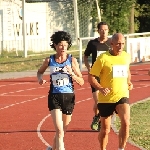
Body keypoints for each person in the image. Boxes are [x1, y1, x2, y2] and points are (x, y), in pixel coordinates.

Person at [37, 31, 84, 150]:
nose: (63, 47)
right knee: (59, 130)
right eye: (60, 45)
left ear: (68, 45)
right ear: (55, 45)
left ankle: (52, 148)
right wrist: (40, 79)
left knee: (62, 131)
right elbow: (40, 72)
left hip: (69, 98)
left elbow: (82, 82)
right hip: (54, 97)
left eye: (65, 44)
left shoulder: (72, 61)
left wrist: (72, 74)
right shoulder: (49, 60)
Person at [88, 33, 133, 150]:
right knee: (105, 130)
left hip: (122, 95)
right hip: (106, 98)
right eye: (118, 44)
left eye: (123, 44)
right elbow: (91, 77)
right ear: (111, 44)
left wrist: (129, 81)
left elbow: (127, 71)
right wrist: (101, 88)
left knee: (126, 122)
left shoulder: (126, 56)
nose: (120, 46)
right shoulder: (103, 58)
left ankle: (121, 149)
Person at [84, 22, 111, 131]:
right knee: (98, 101)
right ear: (98, 31)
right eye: (102, 29)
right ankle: (98, 118)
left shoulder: (111, 43)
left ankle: (98, 118)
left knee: (106, 101)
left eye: (106, 29)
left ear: (108, 30)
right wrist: (88, 68)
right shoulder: (93, 43)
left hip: (107, 75)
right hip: (95, 75)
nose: (104, 31)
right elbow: (85, 56)